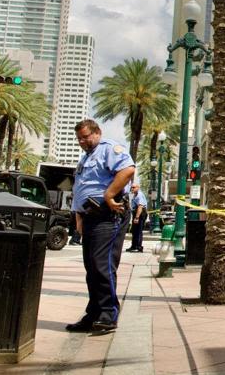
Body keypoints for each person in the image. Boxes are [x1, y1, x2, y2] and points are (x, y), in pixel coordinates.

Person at [65, 119, 134, 334]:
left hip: (108, 214)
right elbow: (81, 187)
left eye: (86, 137)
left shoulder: (109, 149)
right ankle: (93, 313)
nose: (82, 141)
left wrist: (109, 194)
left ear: (97, 133)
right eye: (79, 138)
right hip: (90, 216)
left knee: (102, 265)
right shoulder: (86, 158)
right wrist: (79, 217)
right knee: (91, 267)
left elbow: (128, 170)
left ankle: (108, 313)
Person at [126, 183, 147, 253]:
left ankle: (139, 247)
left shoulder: (139, 195)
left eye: (133, 187)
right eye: (131, 187)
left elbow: (140, 207)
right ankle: (134, 246)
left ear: (138, 187)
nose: (132, 188)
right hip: (136, 213)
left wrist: (137, 217)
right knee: (134, 231)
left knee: (138, 231)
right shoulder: (135, 195)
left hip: (140, 214)